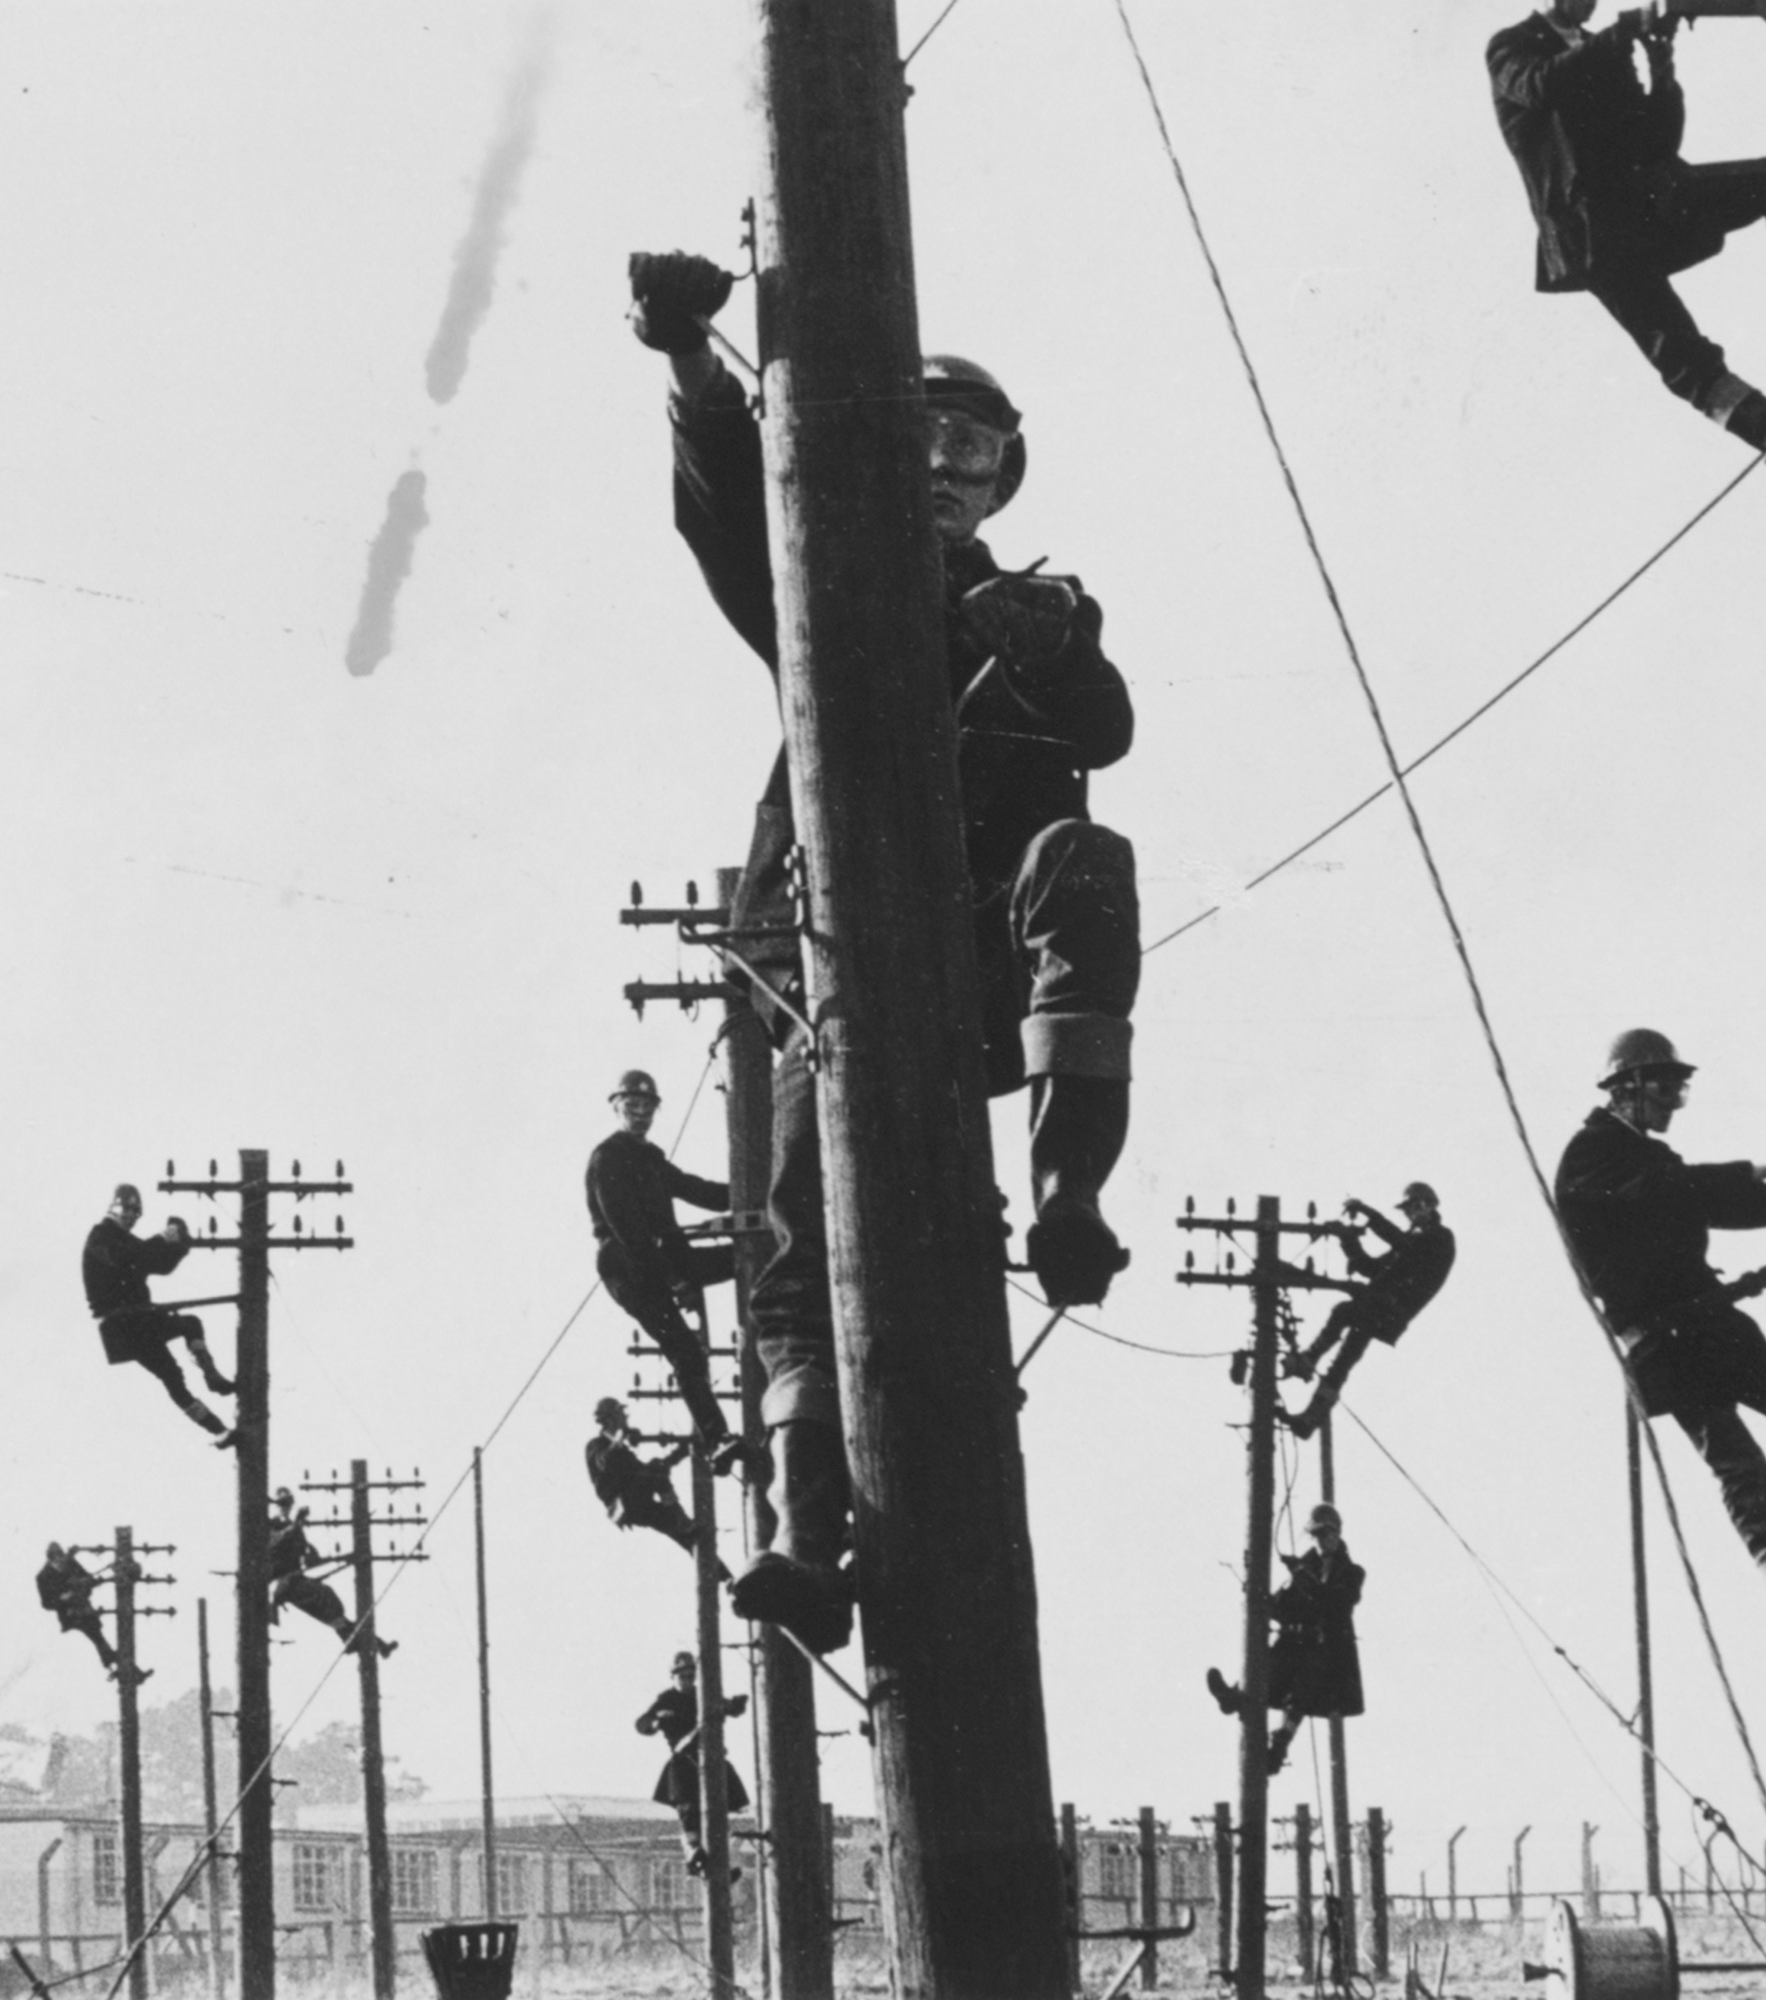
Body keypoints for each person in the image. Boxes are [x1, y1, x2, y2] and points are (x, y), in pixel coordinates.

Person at [631, 251, 1142, 1654]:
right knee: (795, 1241)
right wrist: (689, 355)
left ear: (1000, 482)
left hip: (985, 961)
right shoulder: (817, 587)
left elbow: (1102, 726)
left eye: (974, 452)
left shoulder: (1045, 607)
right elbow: (726, 508)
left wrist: (1032, 637)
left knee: (1086, 865)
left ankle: (1068, 1192)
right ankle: (804, 1535)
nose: (946, 467)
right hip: (835, 962)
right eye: (921, 439)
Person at [1487, 4, 1766, 473]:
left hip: (1653, 205)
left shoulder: (1599, 47)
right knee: (1680, 352)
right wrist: (1620, 35)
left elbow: (1658, 140)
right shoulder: (1513, 46)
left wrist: (1661, 65)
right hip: (1595, 237)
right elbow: (1542, 84)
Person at [1554, 1028, 1766, 1655]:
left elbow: (1706, 1202)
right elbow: (1679, 1192)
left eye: (1678, 1090)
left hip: (1708, 1323)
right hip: (1666, 1340)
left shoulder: (1643, 1153)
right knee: (1743, 1469)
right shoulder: (1592, 1156)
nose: (1672, 1103)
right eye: (1665, 1088)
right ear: (1626, 1086)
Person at [586, 1070, 742, 1462]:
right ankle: (717, 1439)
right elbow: (627, 1229)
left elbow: (695, 1188)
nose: (640, 1114)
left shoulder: (651, 1159)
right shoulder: (609, 1157)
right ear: (616, 1107)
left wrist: (753, 1190)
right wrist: (676, 1279)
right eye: (632, 1106)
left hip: (665, 1258)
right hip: (628, 1266)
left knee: (744, 1255)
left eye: (647, 1106)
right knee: (684, 1350)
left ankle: (720, 1438)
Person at [1205, 1504, 1366, 1776]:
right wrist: (1257, 1591)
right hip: (1296, 1643)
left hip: (1326, 1651)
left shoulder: (1351, 1572)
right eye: (1315, 1534)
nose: (1319, 1539)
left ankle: (1279, 1746)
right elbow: (1283, 1607)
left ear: (1336, 1534)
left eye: (1325, 1533)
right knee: (1264, 1669)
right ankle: (1234, 1696)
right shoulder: (1305, 1567)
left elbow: (1334, 1602)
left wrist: (1303, 1577)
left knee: (1301, 1693)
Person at [1286, 1183, 1456, 1439]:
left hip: (1392, 1309)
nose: (1413, 1213)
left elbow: (1402, 1243)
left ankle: (1308, 1359)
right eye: (1409, 1209)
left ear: (1432, 1206)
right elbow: (1372, 1269)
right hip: (1382, 1308)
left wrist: (1368, 1213)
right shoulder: (1412, 1242)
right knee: (1344, 1360)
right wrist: (1348, 1239)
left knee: (1343, 1312)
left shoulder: (1439, 1238)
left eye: (1418, 1206)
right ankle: (1311, 1418)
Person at [79, 1185, 233, 1442]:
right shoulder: (100, 1237)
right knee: (184, 1337)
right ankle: (213, 1390)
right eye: (127, 1209)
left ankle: (219, 1425)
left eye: (135, 1212)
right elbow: (130, 1258)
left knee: (174, 1373)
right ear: (114, 1206)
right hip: (123, 1322)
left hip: (135, 1322)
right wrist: (164, 1238)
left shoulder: (124, 1240)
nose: (131, 1216)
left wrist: (179, 1245)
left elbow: (158, 1263)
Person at [634, 1652, 747, 1878]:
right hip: (684, 1759)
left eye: (690, 1675)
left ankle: (721, 1860)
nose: (687, 1680)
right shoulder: (666, 1699)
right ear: (673, 1676)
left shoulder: (704, 1695)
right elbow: (642, 1722)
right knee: (688, 1808)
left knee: (719, 1809)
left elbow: (729, 1708)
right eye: (682, 1676)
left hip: (712, 1759)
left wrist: (736, 1705)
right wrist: (656, 1723)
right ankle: (693, 1851)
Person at [584, 1396, 718, 1573]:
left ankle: (725, 1577)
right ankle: (682, 1519)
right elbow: (604, 1462)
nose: (626, 1418)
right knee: (657, 1472)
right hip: (623, 1504)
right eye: (621, 1414)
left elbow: (651, 1472)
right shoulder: (596, 1446)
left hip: (637, 1504)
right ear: (611, 1418)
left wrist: (683, 1451)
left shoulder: (623, 1452)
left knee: (683, 1534)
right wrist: (619, 1440)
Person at [267, 1488, 393, 1658]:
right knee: (326, 1596)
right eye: (282, 1503)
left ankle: (376, 1645)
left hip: (295, 1579)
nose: (286, 1507)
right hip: (283, 1583)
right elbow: (274, 1541)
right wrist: (296, 1525)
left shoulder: (294, 1527)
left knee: (333, 1612)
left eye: (288, 1503)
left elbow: (303, 1550)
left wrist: (311, 1553)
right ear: (275, 1506)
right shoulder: (272, 1525)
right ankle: (356, 1640)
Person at [37, 1541, 141, 1683]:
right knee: (97, 1637)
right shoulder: (43, 1576)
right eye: (57, 1561)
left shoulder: (70, 1563)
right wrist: (63, 1598)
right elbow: (46, 1603)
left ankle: (119, 1667)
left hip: (84, 1607)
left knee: (98, 1638)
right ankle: (126, 1669)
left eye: (62, 1559)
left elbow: (88, 1579)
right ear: (51, 1559)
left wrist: (83, 1587)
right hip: (70, 1614)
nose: (61, 1563)